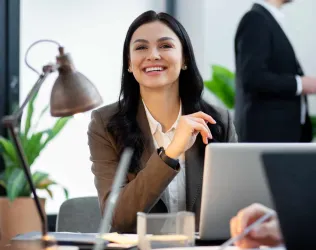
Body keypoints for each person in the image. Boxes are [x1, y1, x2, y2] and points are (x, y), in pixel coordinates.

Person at [87, 10, 237, 233]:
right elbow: (118, 218)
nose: (153, 55)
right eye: (141, 48)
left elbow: (235, 205)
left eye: (165, 46)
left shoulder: (217, 121)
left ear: (185, 58)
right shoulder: (105, 124)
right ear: (129, 63)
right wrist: (172, 152)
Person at [234, 0, 316, 142]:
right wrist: (299, 84)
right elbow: (253, 78)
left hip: (281, 137)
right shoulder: (255, 20)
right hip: (267, 139)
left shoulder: (267, 19)